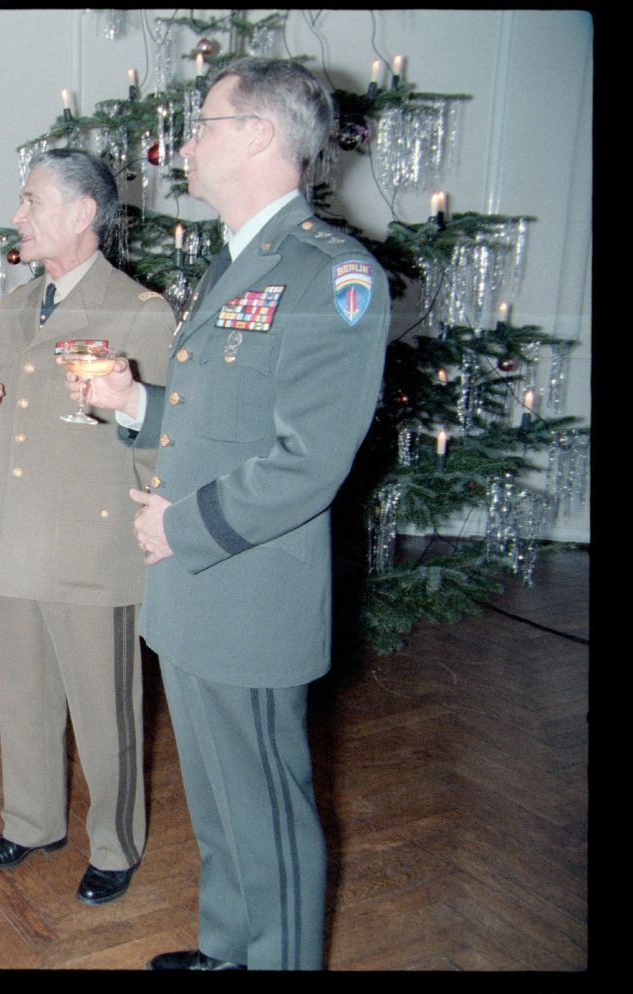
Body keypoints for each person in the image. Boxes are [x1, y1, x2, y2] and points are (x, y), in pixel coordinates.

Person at [80, 59, 390, 969]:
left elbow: (308, 461)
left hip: (247, 594)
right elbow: (228, 424)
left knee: (270, 817)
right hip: (197, 593)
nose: (186, 143)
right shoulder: (241, 263)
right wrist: (140, 406)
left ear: (260, 134)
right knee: (219, 804)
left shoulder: (331, 275)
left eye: (205, 122)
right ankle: (229, 949)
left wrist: (178, 530)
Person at [0, 149, 173, 906]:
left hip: (92, 541)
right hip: (19, 535)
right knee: (27, 695)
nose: (18, 216)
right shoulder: (17, 307)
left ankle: (114, 842)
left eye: (32, 200)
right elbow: (6, 419)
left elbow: (158, 440)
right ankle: (33, 819)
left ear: (83, 214)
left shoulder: (138, 311)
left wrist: (155, 534)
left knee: (104, 709)